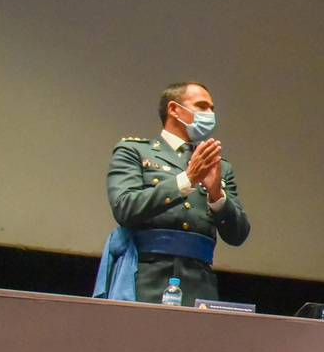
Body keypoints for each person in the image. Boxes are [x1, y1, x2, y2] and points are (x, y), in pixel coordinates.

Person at [99, 82, 249, 306]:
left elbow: (238, 235)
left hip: (200, 283)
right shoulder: (134, 151)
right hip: (146, 279)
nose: (210, 114)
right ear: (174, 109)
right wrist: (187, 179)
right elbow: (125, 208)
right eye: (201, 106)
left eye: (212, 108)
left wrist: (216, 194)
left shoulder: (219, 166)